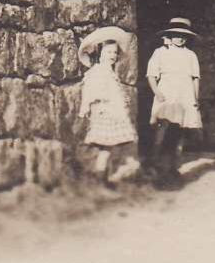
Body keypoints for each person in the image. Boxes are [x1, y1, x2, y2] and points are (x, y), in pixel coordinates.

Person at [145, 17, 202, 185]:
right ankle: (155, 163)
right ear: (169, 35)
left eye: (183, 35)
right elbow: (151, 75)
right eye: (176, 35)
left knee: (181, 130)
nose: (180, 38)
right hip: (167, 92)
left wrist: (195, 98)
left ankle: (173, 165)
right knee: (162, 127)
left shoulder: (191, 55)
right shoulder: (160, 52)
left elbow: (195, 78)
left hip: (185, 94)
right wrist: (157, 92)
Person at [78, 27, 137, 183]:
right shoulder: (97, 72)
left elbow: (113, 91)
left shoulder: (110, 73)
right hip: (105, 111)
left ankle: (102, 175)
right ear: (99, 54)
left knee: (108, 147)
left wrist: (122, 100)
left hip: (113, 110)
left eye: (115, 53)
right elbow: (92, 92)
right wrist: (90, 108)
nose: (113, 56)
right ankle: (100, 176)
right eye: (109, 52)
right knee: (105, 146)